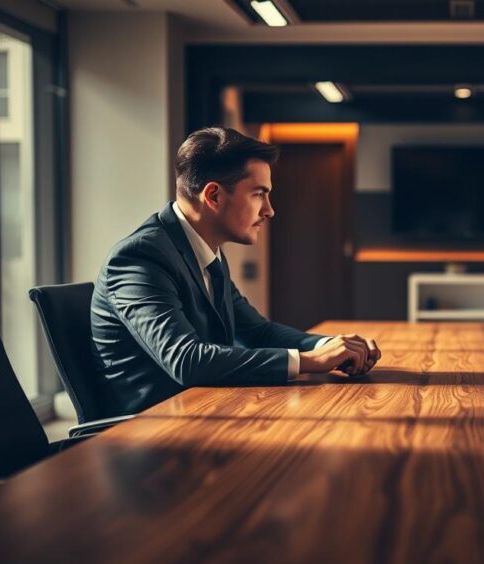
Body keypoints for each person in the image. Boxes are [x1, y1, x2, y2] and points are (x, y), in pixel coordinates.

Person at [91, 127, 380, 415]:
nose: (269, 210)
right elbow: (186, 360)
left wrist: (332, 346)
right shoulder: (140, 257)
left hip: (205, 411)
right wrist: (309, 361)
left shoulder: (205, 251)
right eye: (259, 194)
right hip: (152, 432)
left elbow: (258, 332)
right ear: (214, 196)